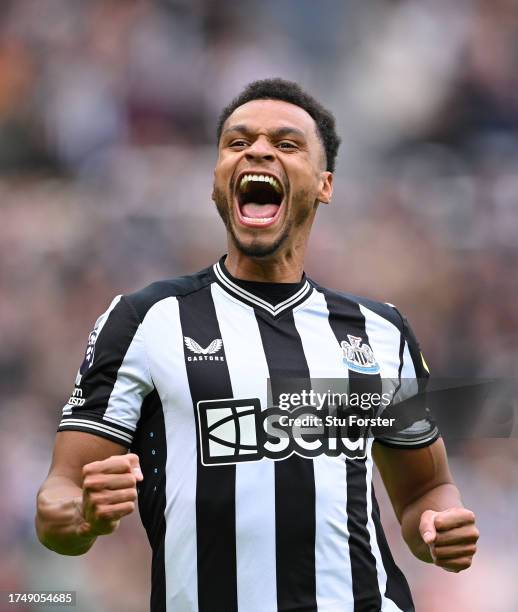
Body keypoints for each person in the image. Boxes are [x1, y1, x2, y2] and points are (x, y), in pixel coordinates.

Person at [36, 79, 479, 612]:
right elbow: (58, 499)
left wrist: (440, 527)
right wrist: (79, 516)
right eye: (237, 142)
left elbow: (424, 491)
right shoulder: (145, 320)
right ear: (218, 182)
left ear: (324, 184)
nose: (259, 150)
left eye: (287, 144)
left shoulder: (378, 330)